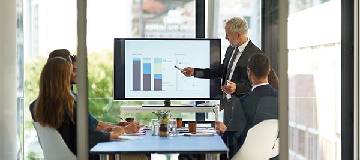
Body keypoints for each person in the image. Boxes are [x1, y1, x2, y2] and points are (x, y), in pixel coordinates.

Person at [181, 17, 262, 159]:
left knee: (237, 151)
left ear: (238, 35)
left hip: (243, 111)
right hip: (229, 108)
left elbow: (255, 85)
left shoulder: (255, 54)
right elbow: (219, 71)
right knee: (226, 150)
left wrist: (237, 88)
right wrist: (195, 71)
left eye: (228, 34)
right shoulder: (231, 49)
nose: (225, 37)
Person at [215, 54, 278, 159]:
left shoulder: (242, 103)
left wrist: (225, 131)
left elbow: (229, 142)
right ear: (269, 70)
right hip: (267, 155)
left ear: (249, 72)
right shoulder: (281, 99)